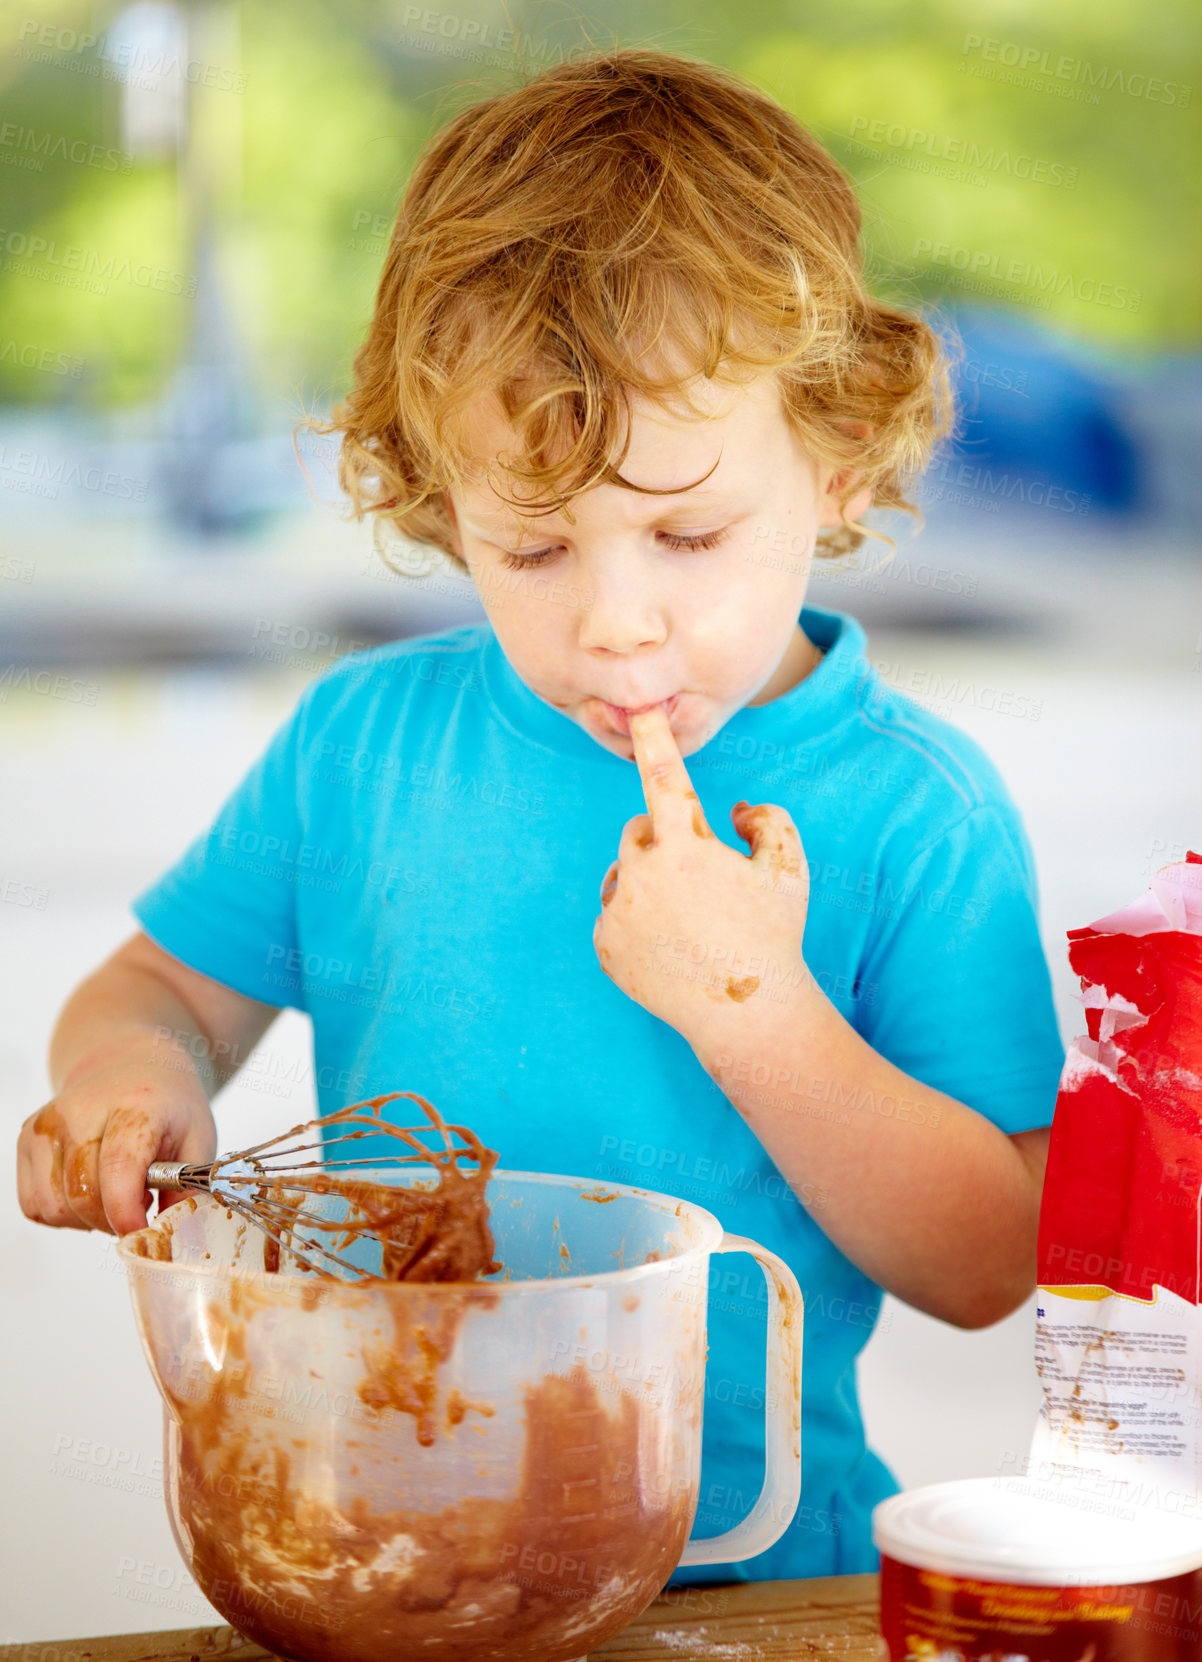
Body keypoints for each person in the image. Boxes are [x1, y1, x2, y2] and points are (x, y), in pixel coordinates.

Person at [15, 47, 1064, 1579]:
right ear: (441, 501)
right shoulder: (365, 748)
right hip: (384, 1542)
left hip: (762, 1572)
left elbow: (989, 1263)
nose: (617, 626)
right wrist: (126, 1079)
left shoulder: (914, 811)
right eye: (533, 549)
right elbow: (163, 989)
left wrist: (753, 1011)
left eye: (685, 531)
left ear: (835, 464)